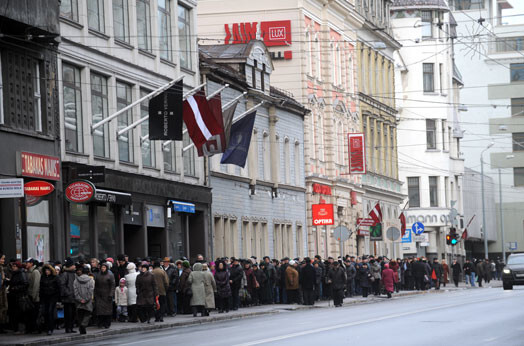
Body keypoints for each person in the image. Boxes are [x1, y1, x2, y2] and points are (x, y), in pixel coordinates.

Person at [39, 264, 60, 335]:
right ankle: (47, 327)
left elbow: (58, 287)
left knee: (50, 312)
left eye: (48, 270)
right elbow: (41, 288)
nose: (47, 272)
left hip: (52, 297)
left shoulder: (55, 277)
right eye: (46, 270)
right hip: (45, 297)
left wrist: (57, 296)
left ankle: (50, 328)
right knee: (45, 312)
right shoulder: (43, 277)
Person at [58, 258, 77, 333]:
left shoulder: (74, 274)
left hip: (73, 297)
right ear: (70, 266)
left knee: (73, 313)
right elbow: (62, 285)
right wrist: (68, 293)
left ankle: (71, 327)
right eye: (73, 265)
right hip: (68, 297)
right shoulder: (65, 274)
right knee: (68, 314)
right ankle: (68, 328)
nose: (75, 266)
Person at [94, 262, 115, 328]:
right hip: (99, 295)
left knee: (107, 310)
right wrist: (95, 294)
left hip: (107, 295)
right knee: (99, 310)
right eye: (102, 267)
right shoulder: (98, 275)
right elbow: (96, 285)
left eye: (104, 267)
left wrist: (111, 295)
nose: (103, 268)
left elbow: (112, 285)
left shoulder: (110, 275)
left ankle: (107, 323)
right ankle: (100, 323)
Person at [25, 258, 41, 334]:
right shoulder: (27, 271)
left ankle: (36, 328)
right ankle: (31, 328)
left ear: (31, 264)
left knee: (35, 313)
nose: (26, 264)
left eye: (27, 263)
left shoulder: (35, 272)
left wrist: (33, 296)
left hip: (34, 297)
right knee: (30, 314)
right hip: (29, 296)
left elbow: (36, 285)